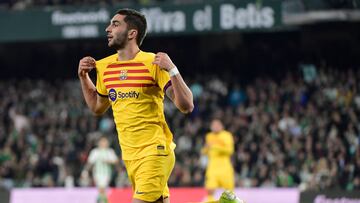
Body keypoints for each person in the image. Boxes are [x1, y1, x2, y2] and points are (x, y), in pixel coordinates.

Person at [78, 8, 194, 203]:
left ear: (132, 33)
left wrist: (172, 69)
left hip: (154, 152)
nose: (108, 29)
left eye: (115, 24)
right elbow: (97, 107)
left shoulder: (153, 63)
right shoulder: (105, 67)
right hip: (130, 158)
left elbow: (187, 105)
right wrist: (83, 77)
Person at [202, 119, 235, 202]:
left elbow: (230, 150)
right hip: (212, 167)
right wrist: (206, 148)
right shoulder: (209, 136)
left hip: (225, 167)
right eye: (213, 125)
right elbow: (205, 151)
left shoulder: (227, 135)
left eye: (217, 125)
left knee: (229, 193)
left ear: (222, 126)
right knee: (210, 189)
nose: (215, 127)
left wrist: (215, 147)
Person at [83, 136, 118, 203]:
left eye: (105, 142)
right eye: (102, 141)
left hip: (107, 173)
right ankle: (103, 200)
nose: (104, 143)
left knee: (103, 187)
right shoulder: (95, 152)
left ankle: (102, 200)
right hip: (97, 173)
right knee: (101, 187)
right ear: (99, 143)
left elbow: (116, 161)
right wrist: (85, 171)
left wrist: (108, 161)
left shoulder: (110, 151)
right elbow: (90, 163)